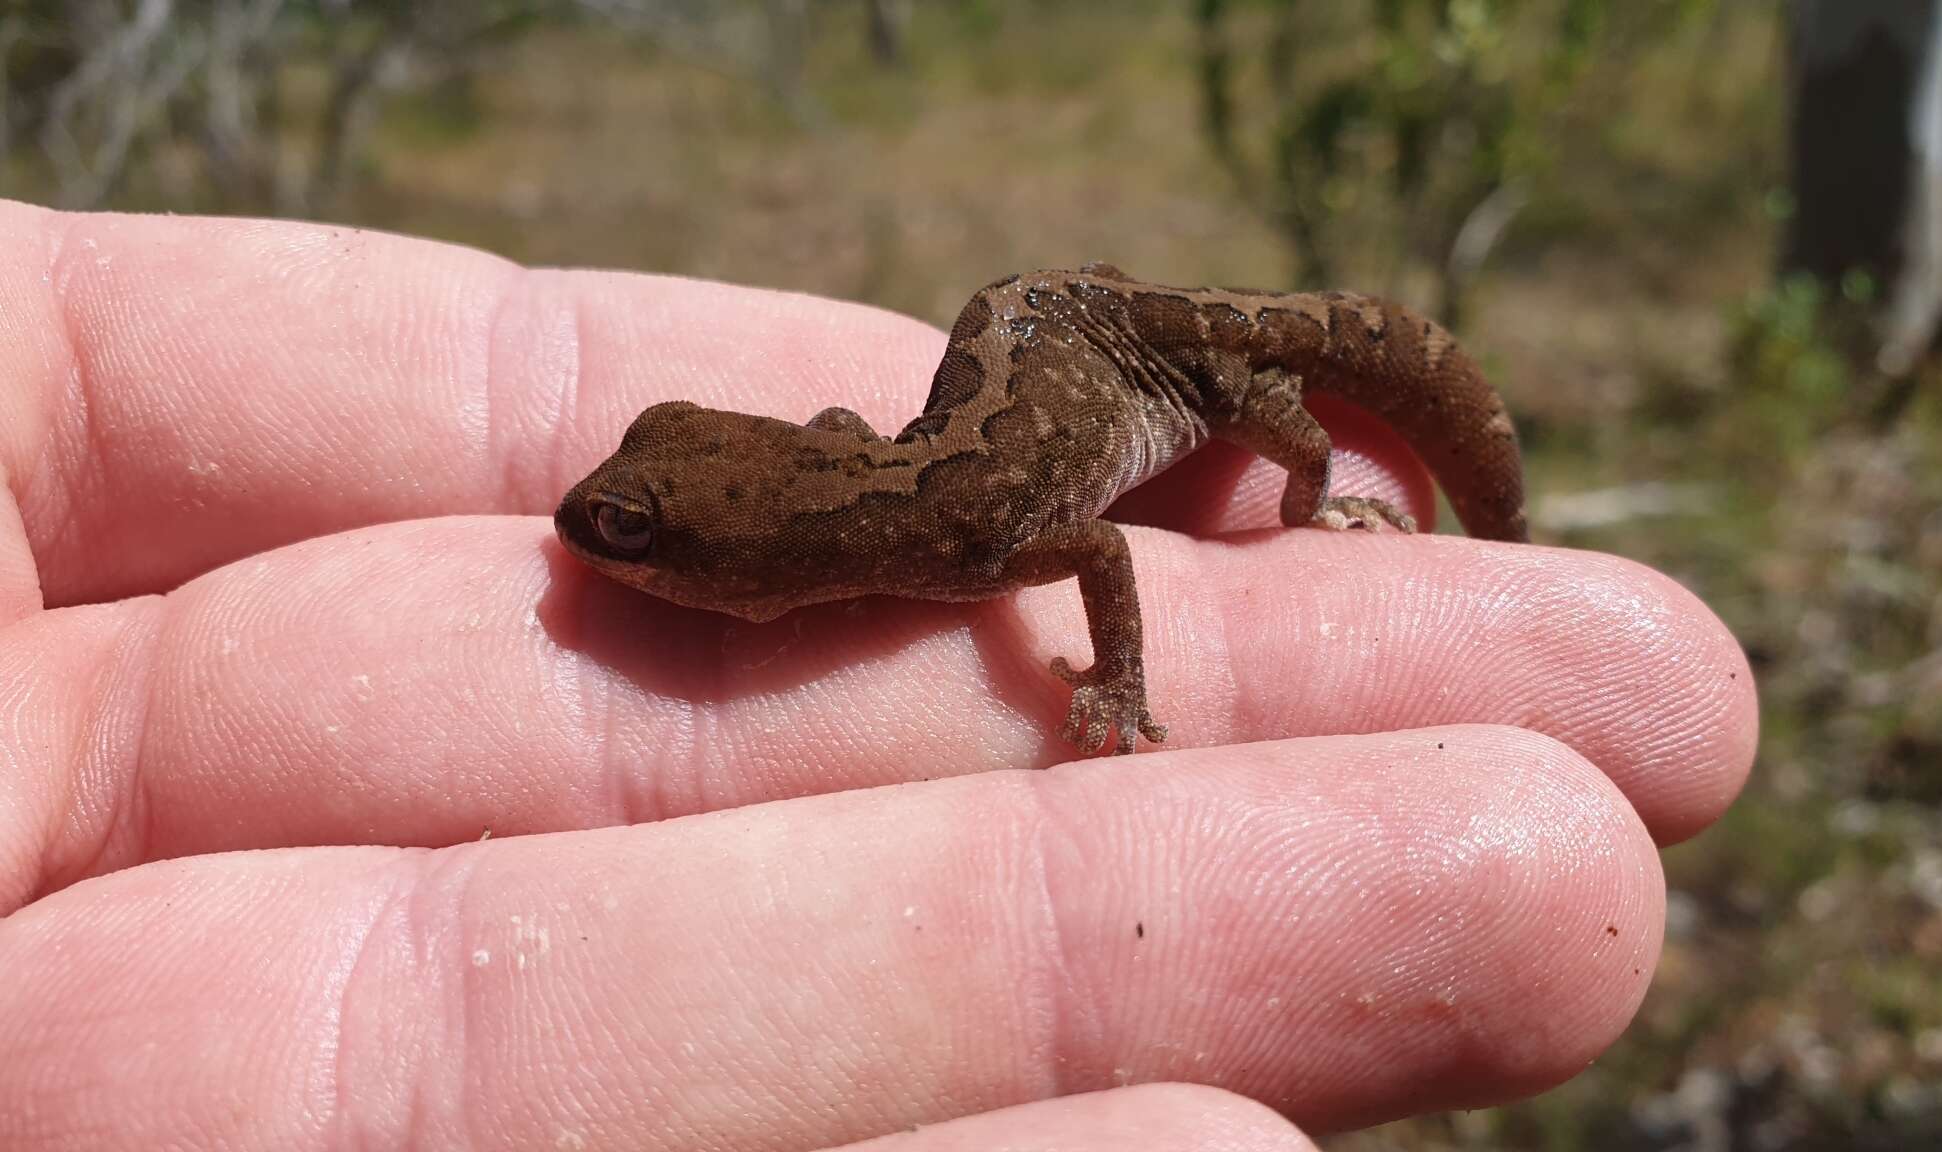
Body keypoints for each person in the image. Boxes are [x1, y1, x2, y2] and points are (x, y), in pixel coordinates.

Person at [0, 203, 1756, 1150]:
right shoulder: (900, 509)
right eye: (641, 518)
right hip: (1038, 352)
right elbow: (846, 439)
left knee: (1294, 406)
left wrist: (1166, 637)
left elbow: (1108, 547)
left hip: (1165, 357)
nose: (594, 545)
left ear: (759, 573)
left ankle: (1451, 507)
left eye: (647, 537)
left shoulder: (977, 526)